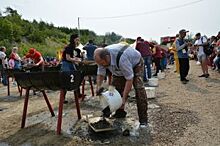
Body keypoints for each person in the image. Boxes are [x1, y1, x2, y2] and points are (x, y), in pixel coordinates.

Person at [94, 43, 148, 127]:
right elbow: (100, 74)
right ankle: (120, 112)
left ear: (107, 57)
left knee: (139, 89)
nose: (102, 65)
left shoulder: (122, 58)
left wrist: (123, 98)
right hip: (118, 67)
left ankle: (143, 120)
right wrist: (98, 87)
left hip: (135, 64)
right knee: (113, 89)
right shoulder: (101, 59)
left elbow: (129, 80)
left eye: (103, 63)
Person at [61, 34, 81, 103]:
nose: (77, 41)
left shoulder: (73, 47)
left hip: (71, 63)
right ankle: (62, 99)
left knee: (76, 78)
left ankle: (78, 95)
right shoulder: (69, 47)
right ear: (73, 39)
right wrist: (77, 60)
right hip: (66, 64)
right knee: (66, 80)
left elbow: (71, 57)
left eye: (78, 40)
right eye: (77, 39)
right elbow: (68, 58)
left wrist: (75, 59)